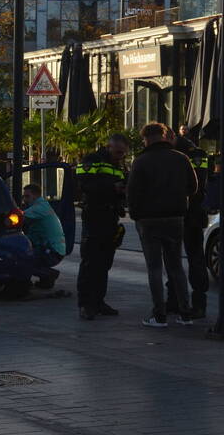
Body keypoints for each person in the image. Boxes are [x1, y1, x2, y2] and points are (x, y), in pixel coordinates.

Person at [128, 122, 197, 327]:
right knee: (176, 267)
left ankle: (159, 315)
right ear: (165, 136)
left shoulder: (141, 161)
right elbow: (193, 187)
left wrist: (135, 215)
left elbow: (132, 193)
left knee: (154, 268)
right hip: (175, 218)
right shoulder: (181, 158)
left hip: (148, 219)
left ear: (146, 139)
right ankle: (185, 313)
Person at [75, 134, 129, 320]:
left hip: (110, 216)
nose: (121, 156)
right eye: (118, 152)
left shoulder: (118, 165)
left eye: (123, 153)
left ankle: (98, 301)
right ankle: (85, 304)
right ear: (108, 147)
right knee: (90, 261)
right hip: (94, 215)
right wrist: (112, 188)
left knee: (105, 262)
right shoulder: (92, 159)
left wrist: (121, 195)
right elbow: (84, 184)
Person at [165, 132, 210, 318]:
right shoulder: (170, 153)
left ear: (170, 137)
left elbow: (197, 186)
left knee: (194, 258)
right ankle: (174, 300)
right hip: (178, 213)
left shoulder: (195, 154)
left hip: (191, 214)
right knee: (173, 258)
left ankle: (198, 303)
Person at [21, 184, 66, 289]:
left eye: (27, 196)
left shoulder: (39, 208)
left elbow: (19, 216)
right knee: (26, 254)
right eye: (24, 196)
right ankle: (45, 280)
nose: (24, 199)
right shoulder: (42, 205)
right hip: (51, 249)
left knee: (21, 260)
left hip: (52, 252)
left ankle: (48, 274)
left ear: (35, 196)